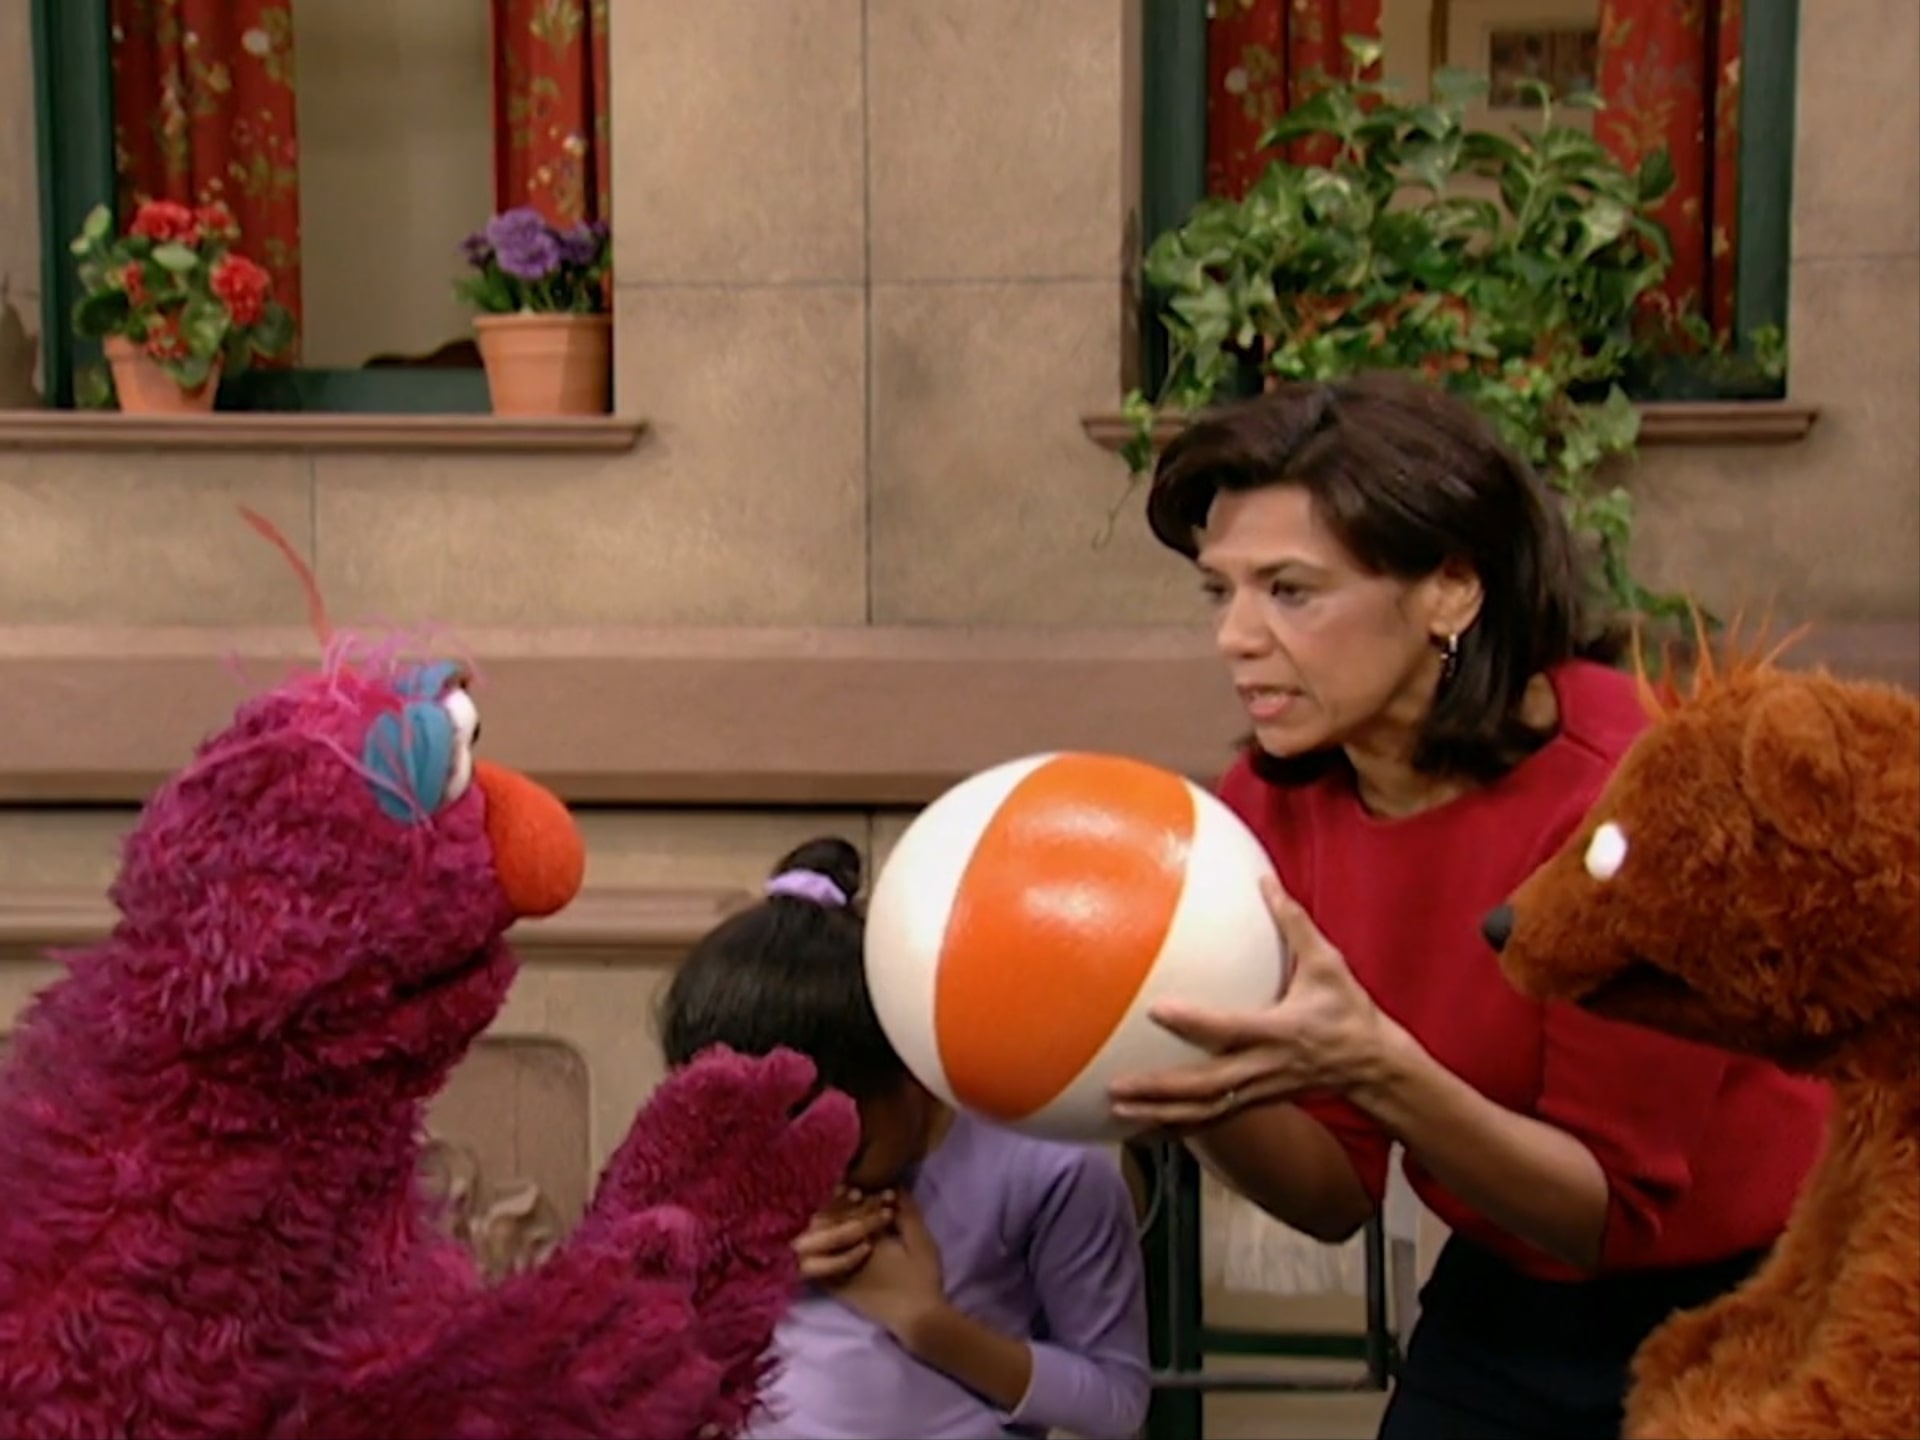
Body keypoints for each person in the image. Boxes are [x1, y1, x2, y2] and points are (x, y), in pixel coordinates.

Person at [1103, 372, 1833, 1439]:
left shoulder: (1638, 794)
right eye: (1223, 592)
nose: (1236, 637)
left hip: (1762, 1301)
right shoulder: (1268, 803)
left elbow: (1605, 1216)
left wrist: (1376, 1068)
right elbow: (1334, 1196)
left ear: (1451, 589)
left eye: (1290, 591)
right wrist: (1181, 1076)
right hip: (1507, 1290)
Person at [656, 836, 1152, 1440]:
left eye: (845, 1150)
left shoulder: (1051, 1173)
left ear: (911, 1064)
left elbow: (1116, 1403)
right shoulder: (724, 1177)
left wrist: (926, 1322)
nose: (816, 1186)